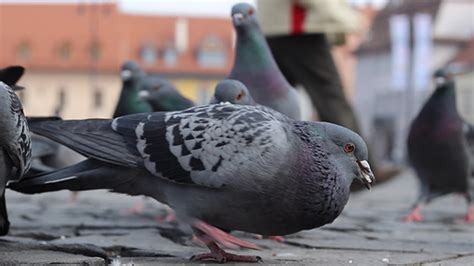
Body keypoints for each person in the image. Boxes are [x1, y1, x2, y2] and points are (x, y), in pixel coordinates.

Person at [257, 0, 400, 186]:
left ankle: (252, 168)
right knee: (331, 99)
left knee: (270, 101)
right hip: (299, 28)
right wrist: (349, 19)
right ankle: (360, 170)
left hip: (274, 27)